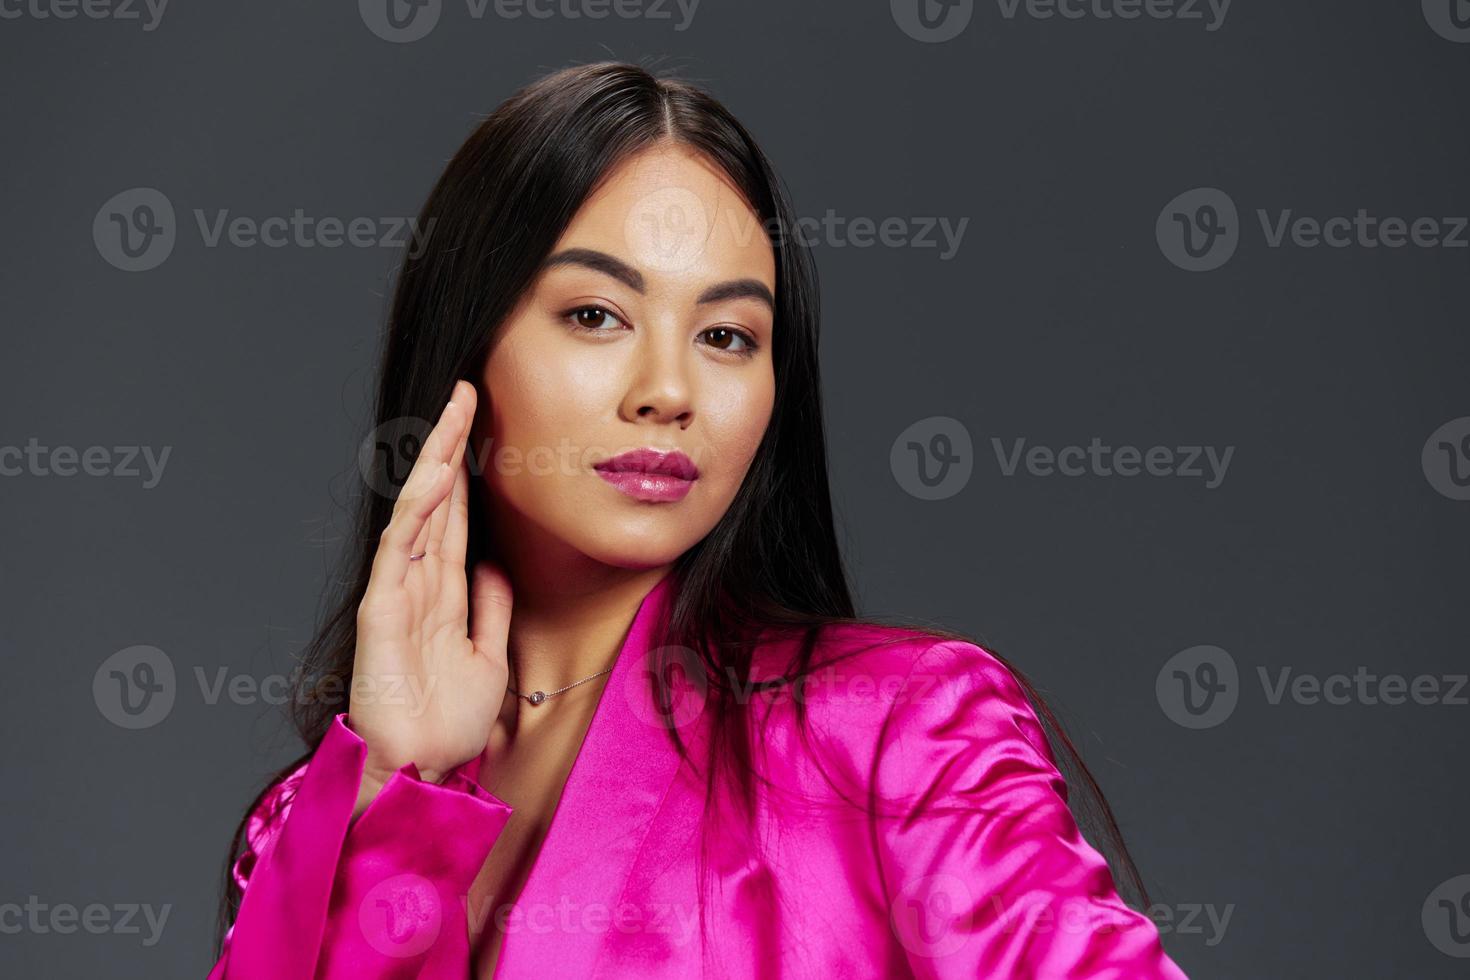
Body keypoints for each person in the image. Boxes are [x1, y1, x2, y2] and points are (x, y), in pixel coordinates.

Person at [207, 61, 1189, 979]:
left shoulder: (901, 730)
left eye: (726, 334)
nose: (669, 390)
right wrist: (394, 787)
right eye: (596, 314)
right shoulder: (307, 819)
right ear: (466, 343)